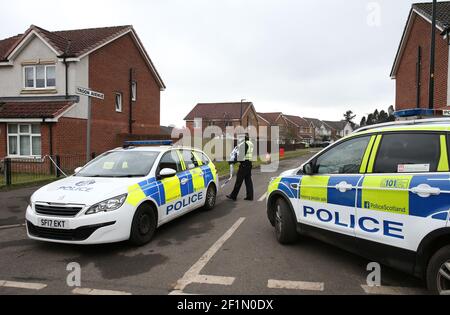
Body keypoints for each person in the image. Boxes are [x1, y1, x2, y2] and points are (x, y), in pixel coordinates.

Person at [226, 134, 254, 201]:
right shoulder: (250, 143)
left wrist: (232, 161)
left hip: (244, 165)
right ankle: (250, 196)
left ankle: (233, 196)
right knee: (248, 181)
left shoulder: (244, 145)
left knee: (238, 180)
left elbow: (241, 157)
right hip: (249, 164)